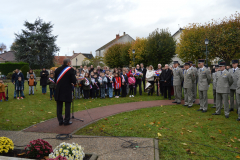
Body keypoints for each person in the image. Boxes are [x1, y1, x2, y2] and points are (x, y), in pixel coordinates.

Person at [54, 59, 76, 126]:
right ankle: (66, 121)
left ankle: (60, 121)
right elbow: (73, 80)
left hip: (59, 90)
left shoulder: (57, 69)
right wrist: (72, 83)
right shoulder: (71, 69)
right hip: (67, 90)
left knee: (59, 106)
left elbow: (55, 80)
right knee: (67, 106)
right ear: (68, 63)